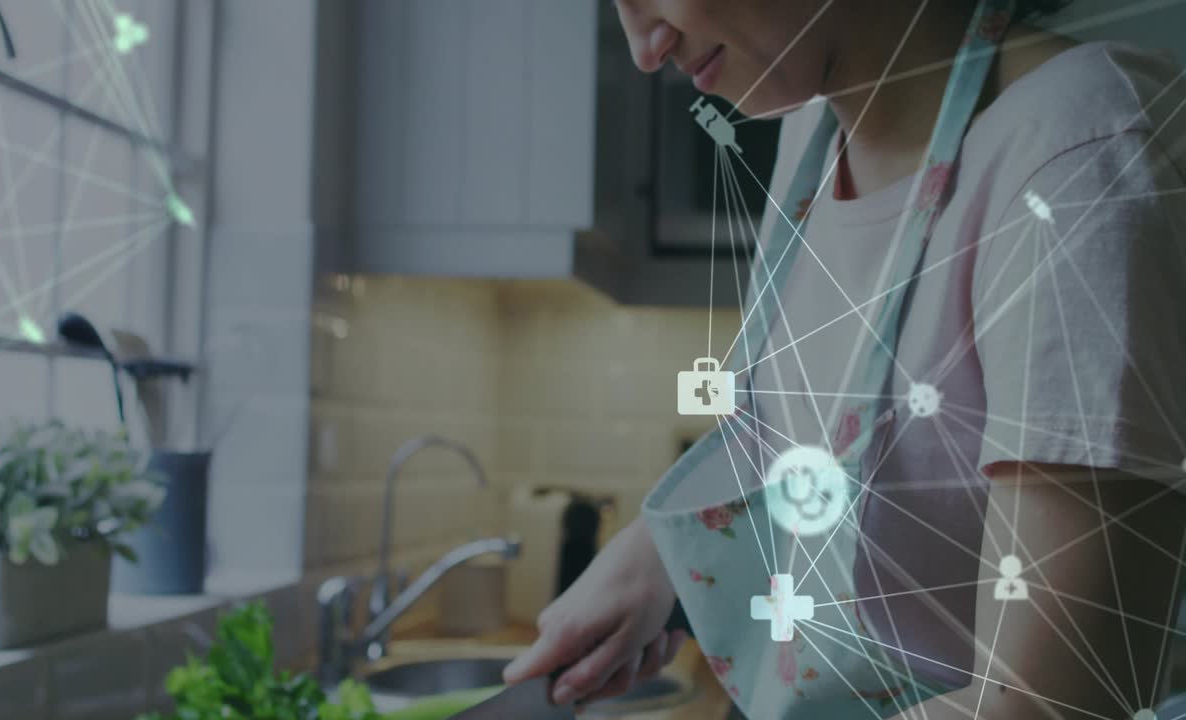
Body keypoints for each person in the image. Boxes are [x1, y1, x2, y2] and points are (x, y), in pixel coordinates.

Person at [504, 1, 1186, 718]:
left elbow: (1051, 707)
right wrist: (648, 565)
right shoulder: (813, 134)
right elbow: (813, 436)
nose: (645, 46)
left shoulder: (1076, 154)